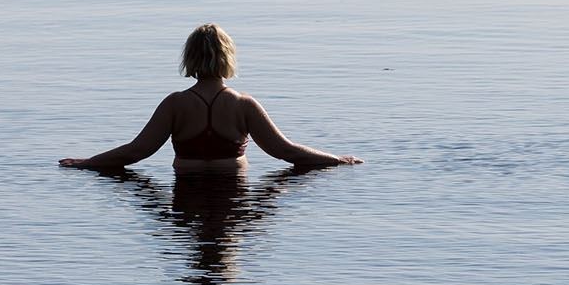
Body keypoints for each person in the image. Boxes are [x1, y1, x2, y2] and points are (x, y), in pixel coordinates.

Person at [59, 24, 363, 173]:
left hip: (186, 197)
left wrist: (87, 163)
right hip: (233, 195)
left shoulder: (175, 104)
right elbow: (285, 151)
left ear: (189, 59)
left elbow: (136, 152)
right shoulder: (243, 105)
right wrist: (336, 160)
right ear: (228, 58)